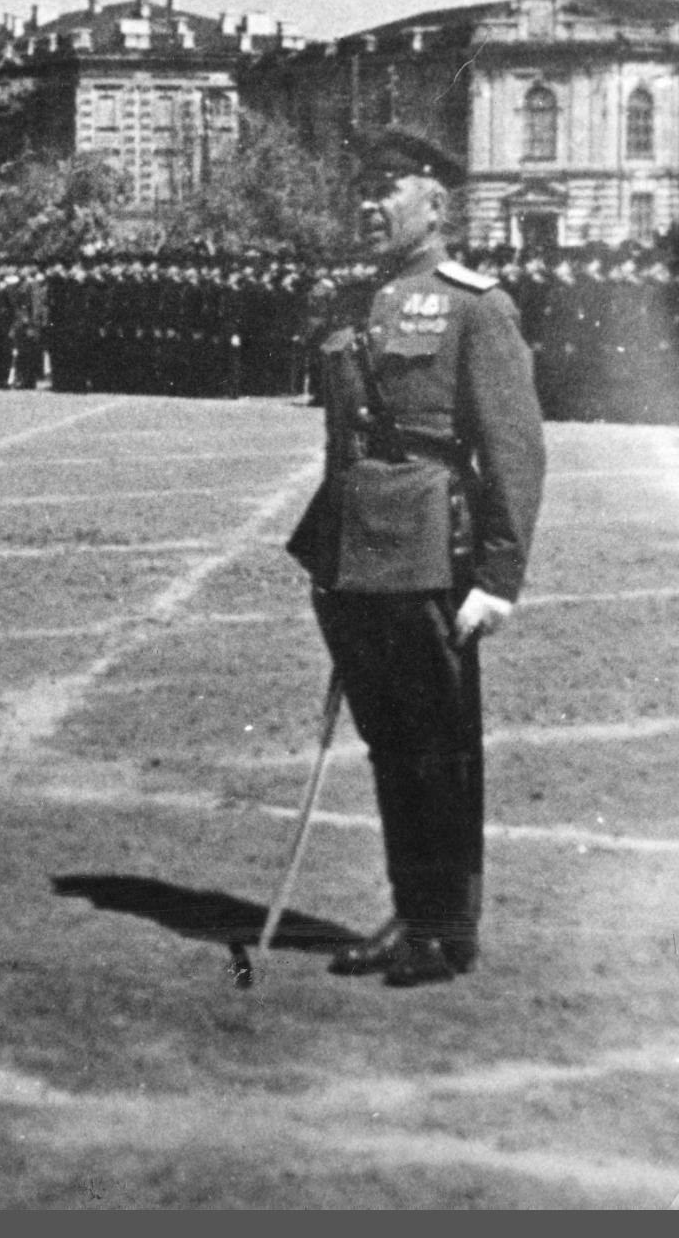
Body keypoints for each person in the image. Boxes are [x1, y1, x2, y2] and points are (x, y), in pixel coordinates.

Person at [285, 129, 546, 988]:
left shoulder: (475, 304)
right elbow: (343, 445)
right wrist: (338, 561)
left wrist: (500, 581)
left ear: (436, 203)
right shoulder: (360, 303)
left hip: (434, 558)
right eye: (362, 189)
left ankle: (445, 927)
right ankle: (414, 912)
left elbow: (513, 449)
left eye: (388, 188)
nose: (369, 204)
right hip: (359, 556)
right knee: (392, 745)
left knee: (440, 748)